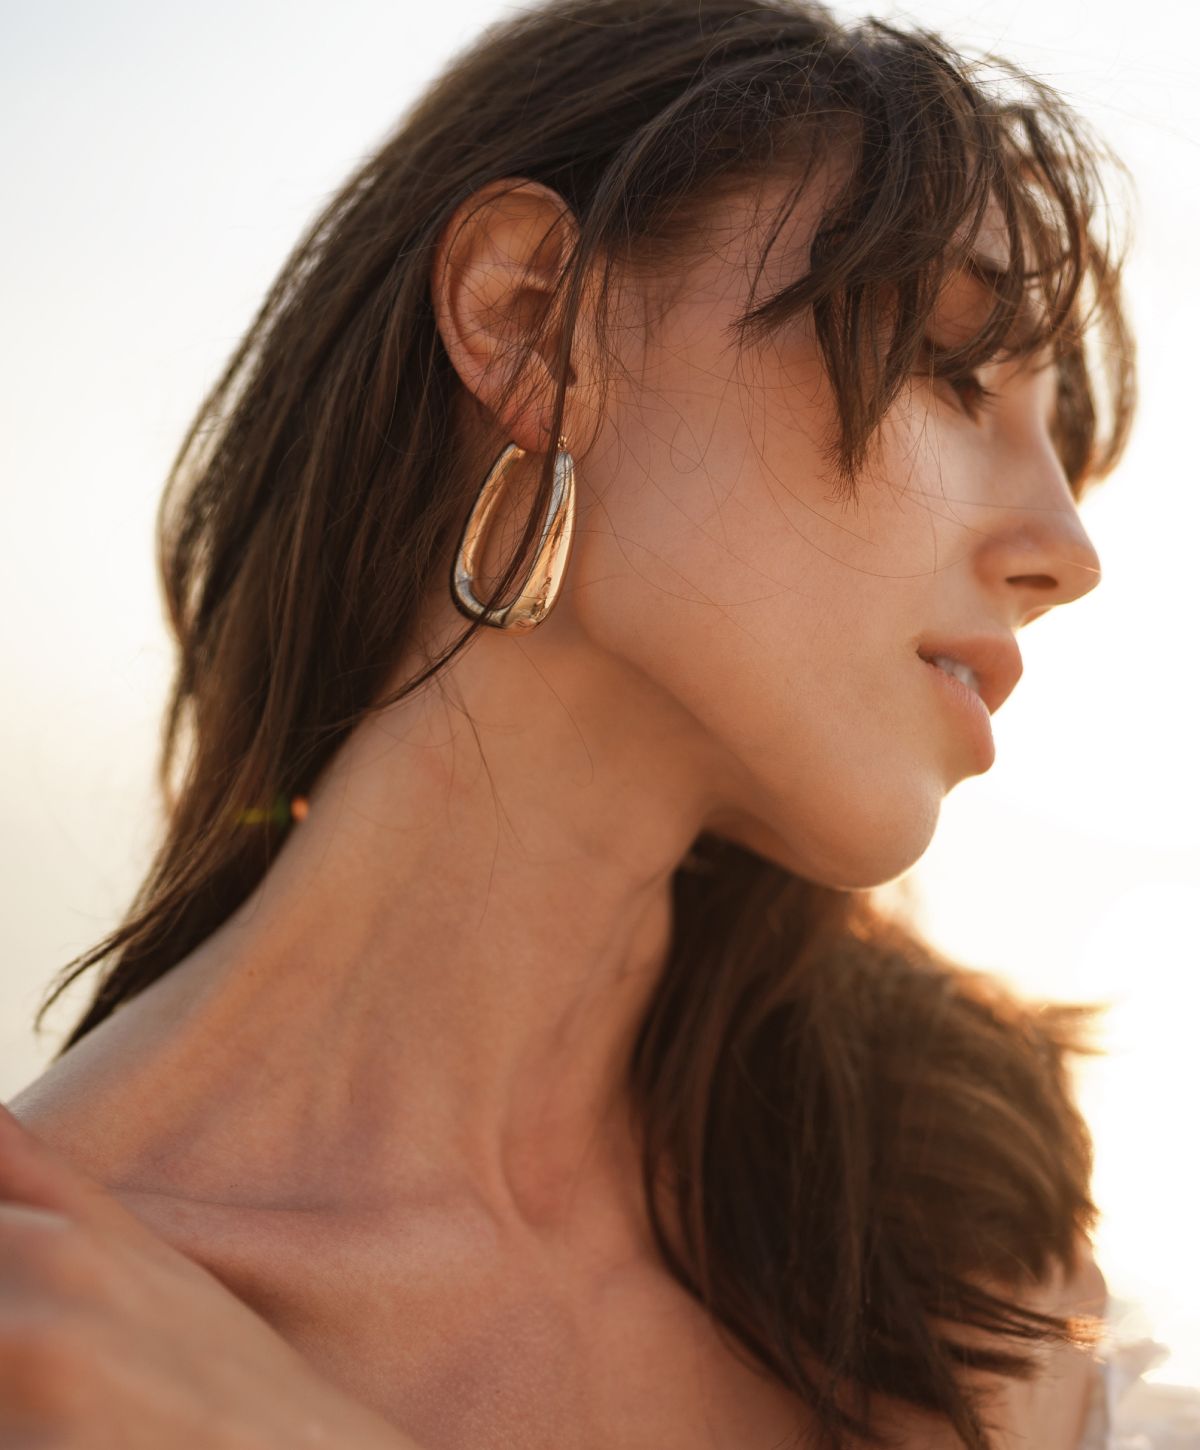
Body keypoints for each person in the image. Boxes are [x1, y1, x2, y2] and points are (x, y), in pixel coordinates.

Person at [4, 0, 1193, 1445]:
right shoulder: (52, 1325)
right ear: (535, 326)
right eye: (952, 367)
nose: (1068, 551)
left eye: (1060, 441)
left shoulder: (946, 1201)